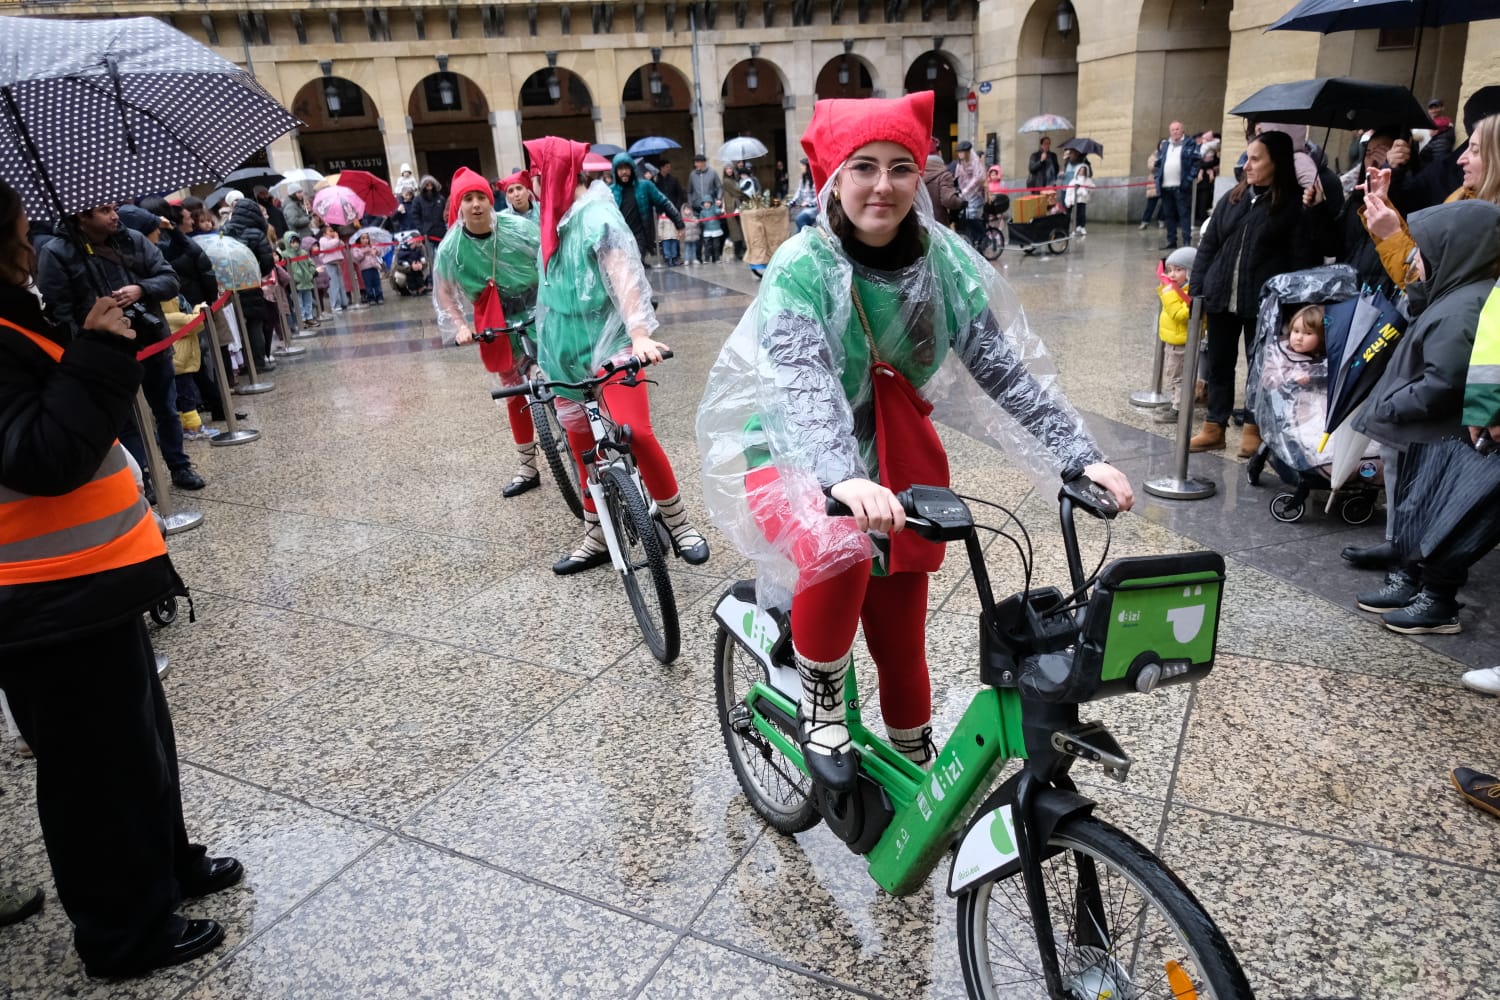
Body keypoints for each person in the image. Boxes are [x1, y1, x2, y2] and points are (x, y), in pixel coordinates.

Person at [696, 92, 1133, 788]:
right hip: (788, 456)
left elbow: (1007, 372)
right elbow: (802, 383)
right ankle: (818, 702)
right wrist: (841, 478)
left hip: (892, 465)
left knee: (903, 640)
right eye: (863, 166)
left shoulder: (945, 265)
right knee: (839, 548)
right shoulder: (803, 265)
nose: (883, 185)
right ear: (833, 177)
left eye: (902, 167)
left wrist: (1080, 457)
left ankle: (916, 769)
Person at [0, 178, 240, 979]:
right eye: (18, 231)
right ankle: (122, 931)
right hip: (42, 596)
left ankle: (165, 871)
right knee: (91, 770)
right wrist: (97, 350)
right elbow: (42, 456)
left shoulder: (16, 310)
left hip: (91, 579)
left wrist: (84, 336)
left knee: (136, 742)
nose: (31, 244)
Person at [522, 136, 710, 574]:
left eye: (536, 172)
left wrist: (640, 334)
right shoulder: (554, 220)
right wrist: (541, 356)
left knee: (633, 431)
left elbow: (623, 275)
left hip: (612, 343)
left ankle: (678, 523)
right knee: (581, 443)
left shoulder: (597, 216)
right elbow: (547, 296)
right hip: (563, 350)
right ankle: (597, 534)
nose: (532, 181)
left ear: (556, 172)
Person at [1350, 200, 1500, 635]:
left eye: (1425, 252)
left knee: (1433, 514)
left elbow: (1446, 379)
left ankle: (1429, 591)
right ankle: (1410, 575)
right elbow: (1426, 305)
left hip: (1428, 434)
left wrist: (1391, 403)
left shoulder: (1464, 308)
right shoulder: (1457, 295)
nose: (1416, 260)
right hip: (1419, 431)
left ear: (1457, 253)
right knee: (1416, 511)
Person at [36, 204, 207, 492]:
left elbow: (169, 278)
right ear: (82, 216)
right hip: (105, 353)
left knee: (166, 408)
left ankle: (180, 466)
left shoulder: (135, 239)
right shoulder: (56, 253)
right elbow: (59, 311)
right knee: (124, 419)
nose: (115, 216)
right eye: (104, 211)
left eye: (114, 209)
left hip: (152, 340)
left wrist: (141, 289)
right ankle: (142, 477)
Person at [1187, 129, 1326, 456]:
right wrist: (1198, 290)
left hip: (1263, 304)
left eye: (1255, 158)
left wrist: (1294, 308)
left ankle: (1254, 426)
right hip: (1222, 298)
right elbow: (1209, 246)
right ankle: (1214, 426)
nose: (1246, 165)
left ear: (1275, 162)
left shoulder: (1292, 206)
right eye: (1247, 158)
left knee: (1261, 368)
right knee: (1220, 364)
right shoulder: (1233, 198)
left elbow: (1303, 259)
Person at [436, 166, 543, 497]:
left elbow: (550, 259)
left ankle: (585, 447)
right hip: (494, 320)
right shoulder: (451, 248)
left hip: (539, 308)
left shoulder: (519, 228)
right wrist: (460, 327)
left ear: (490, 198)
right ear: (459, 205)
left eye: (481, 196)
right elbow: (445, 295)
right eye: (468, 198)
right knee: (514, 392)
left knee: (563, 380)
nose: (476, 204)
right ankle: (528, 466)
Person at [218, 195, 276, 370]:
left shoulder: (224, 230)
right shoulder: (257, 233)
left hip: (228, 284)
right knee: (254, 323)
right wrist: (257, 273)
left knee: (235, 324)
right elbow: (267, 262)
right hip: (249, 282)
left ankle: (242, 363)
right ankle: (257, 363)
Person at [609, 153, 682, 263]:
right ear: (615, 171)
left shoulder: (645, 186)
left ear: (632, 169)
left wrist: (679, 223)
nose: (624, 171)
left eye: (626, 168)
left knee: (635, 264)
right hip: (620, 238)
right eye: (620, 168)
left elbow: (664, 202)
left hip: (640, 236)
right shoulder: (610, 191)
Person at [1153, 247, 1195, 424]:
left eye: (1178, 270)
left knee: (1179, 377)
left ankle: (1179, 409)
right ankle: (1175, 402)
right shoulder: (1176, 289)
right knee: (1173, 374)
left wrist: (1169, 296)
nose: (1172, 274)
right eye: (1169, 270)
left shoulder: (1187, 292)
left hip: (1181, 342)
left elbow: (1181, 314)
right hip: (1172, 340)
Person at [1154, 121, 1201, 251]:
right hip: (1165, 186)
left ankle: (1186, 241)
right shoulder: (1165, 145)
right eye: (1173, 130)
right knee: (1168, 215)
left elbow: (1196, 162)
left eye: (1177, 129)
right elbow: (1158, 163)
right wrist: (1157, 177)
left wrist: (1189, 179)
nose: (1175, 132)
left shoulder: (1190, 143)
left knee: (1184, 214)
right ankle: (1171, 241)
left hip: (1181, 186)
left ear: (1182, 130)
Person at [952, 140, 985, 246]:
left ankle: (982, 236)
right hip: (965, 194)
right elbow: (957, 176)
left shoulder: (975, 161)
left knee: (971, 214)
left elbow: (978, 178)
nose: (960, 154)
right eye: (959, 152)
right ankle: (971, 238)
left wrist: (966, 189)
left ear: (967, 152)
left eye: (962, 152)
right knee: (963, 216)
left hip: (976, 193)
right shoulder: (960, 163)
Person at [924, 151, 965, 228]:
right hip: (938, 223)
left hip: (918, 222)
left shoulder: (916, 173)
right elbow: (948, 200)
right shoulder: (944, 175)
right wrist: (961, 202)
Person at [316, 226, 350, 312]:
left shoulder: (335, 239)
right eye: (330, 231)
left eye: (332, 231)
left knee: (340, 284)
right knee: (333, 285)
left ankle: (344, 302)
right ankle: (335, 305)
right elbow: (329, 246)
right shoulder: (323, 240)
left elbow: (341, 244)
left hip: (336, 262)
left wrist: (337, 239)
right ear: (324, 233)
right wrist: (336, 238)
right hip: (328, 264)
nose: (332, 232)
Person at [1063, 148, 1093, 236]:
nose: (1071, 155)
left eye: (1072, 153)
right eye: (1070, 153)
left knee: (1080, 213)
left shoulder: (1084, 162)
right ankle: (1066, 227)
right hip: (1067, 190)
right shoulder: (1067, 162)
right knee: (1067, 212)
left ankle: (1080, 226)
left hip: (1081, 199)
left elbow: (1090, 179)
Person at [351, 233, 385, 306]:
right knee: (368, 284)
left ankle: (379, 296)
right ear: (359, 240)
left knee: (377, 283)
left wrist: (376, 251)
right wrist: (365, 251)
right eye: (363, 238)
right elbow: (356, 257)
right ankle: (371, 298)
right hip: (365, 269)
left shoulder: (372, 246)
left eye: (367, 238)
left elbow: (379, 252)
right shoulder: (357, 248)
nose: (365, 240)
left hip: (374, 267)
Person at [721, 164, 746, 259]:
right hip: (731, 208)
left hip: (738, 206)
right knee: (735, 231)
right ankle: (738, 252)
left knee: (740, 229)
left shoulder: (734, 180)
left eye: (730, 168)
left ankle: (741, 250)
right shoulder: (727, 181)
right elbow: (737, 193)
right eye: (727, 168)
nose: (729, 170)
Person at [687, 153, 723, 219]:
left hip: (710, 205)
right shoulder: (692, 175)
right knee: (698, 228)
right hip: (696, 206)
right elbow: (689, 191)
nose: (695, 165)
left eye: (697, 162)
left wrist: (718, 199)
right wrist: (690, 204)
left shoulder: (712, 172)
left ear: (703, 162)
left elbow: (719, 187)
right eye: (695, 162)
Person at [791, 157, 819, 232]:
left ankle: (811, 237)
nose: (801, 167)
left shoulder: (815, 181)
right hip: (805, 210)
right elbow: (798, 193)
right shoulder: (802, 181)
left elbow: (818, 197)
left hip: (814, 210)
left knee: (799, 219)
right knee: (796, 234)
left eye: (802, 166)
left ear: (807, 167)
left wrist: (809, 203)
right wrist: (792, 202)